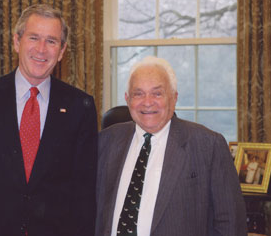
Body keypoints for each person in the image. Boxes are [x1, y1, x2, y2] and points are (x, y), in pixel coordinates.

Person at [0, 4, 98, 236]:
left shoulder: (80, 107)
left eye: (52, 41)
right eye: (34, 38)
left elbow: (84, 196)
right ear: (16, 41)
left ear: (62, 51)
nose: (41, 49)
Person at [95, 56, 247, 236]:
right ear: (127, 99)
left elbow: (230, 224)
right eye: (138, 93)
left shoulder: (208, 145)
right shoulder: (105, 141)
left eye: (157, 93)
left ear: (174, 98)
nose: (147, 102)